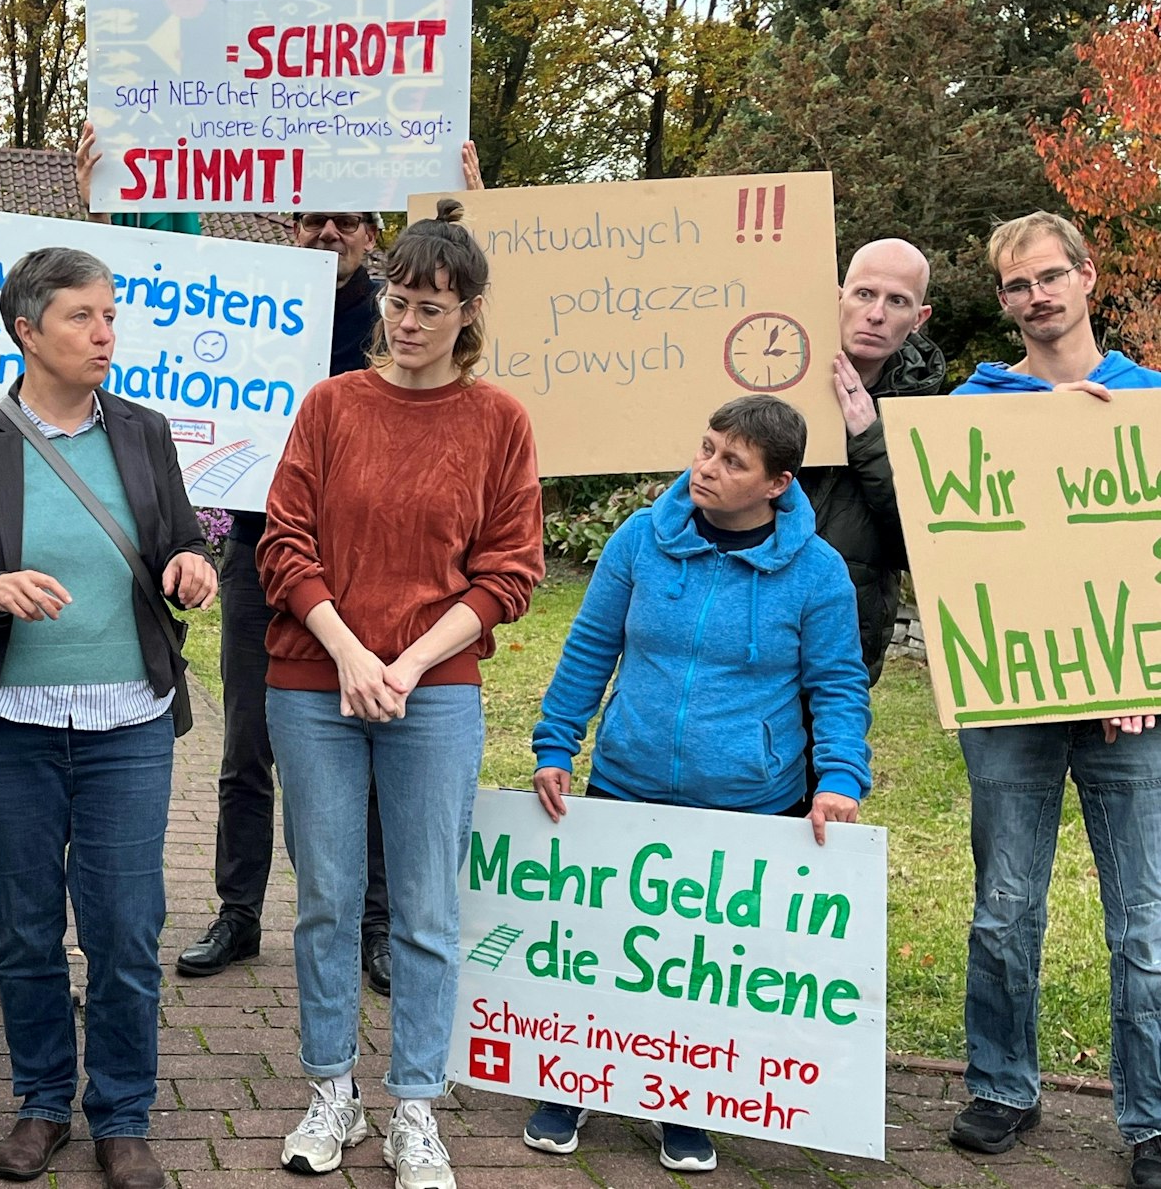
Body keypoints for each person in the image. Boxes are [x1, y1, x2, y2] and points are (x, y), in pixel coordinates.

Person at [0, 246, 217, 1189]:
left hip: (128, 723)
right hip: (7, 730)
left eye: (109, 314)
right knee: (25, 928)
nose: (106, 332)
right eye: (82, 316)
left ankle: (122, 1114)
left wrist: (193, 564)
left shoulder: (146, 431)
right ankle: (43, 1101)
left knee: (124, 927)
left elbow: (182, 539)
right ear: (26, 332)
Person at [259, 201, 543, 1189]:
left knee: (424, 906)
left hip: (433, 689)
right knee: (327, 900)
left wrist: (408, 662)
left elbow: (509, 570)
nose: (407, 319)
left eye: (429, 304)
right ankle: (329, 1090)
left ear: (467, 311)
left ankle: (414, 1104)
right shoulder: (330, 405)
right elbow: (282, 542)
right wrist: (345, 652)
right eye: (396, 297)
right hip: (312, 680)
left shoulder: (498, 421)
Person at [521, 395, 870, 1175]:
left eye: (732, 461)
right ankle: (570, 1077)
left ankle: (687, 1096)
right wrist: (556, 743)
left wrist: (841, 775)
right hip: (626, 783)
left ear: (778, 482)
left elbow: (839, 686)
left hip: (746, 801)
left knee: (705, 965)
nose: (707, 468)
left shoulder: (817, 573)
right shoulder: (642, 539)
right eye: (706, 448)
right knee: (603, 947)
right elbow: (588, 649)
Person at [178, 140, 488, 990]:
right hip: (265, 551)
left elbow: (470, 301)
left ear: (371, 232)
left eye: (345, 220)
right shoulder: (245, 303)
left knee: (387, 738)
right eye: (312, 217)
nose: (327, 232)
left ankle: (377, 927)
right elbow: (156, 292)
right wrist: (115, 206)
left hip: (380, 566)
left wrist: (474, 201)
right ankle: (238, 911)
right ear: (292, 224)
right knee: (246, 745)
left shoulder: (394, 317)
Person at [944, 211, 1161, 1189]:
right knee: (1001, 907)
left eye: (1047, 277)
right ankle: (1000, 1083)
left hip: (1133, 711)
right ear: (1003, 301)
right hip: (1009, 703)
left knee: (1143, 926)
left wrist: (1142, 669)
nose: (1033, 296)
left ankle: (1149, 1115)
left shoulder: (1146, 402)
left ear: (1084, 278)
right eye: (1014, 285)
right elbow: (959, 550)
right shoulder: (971, 407)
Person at [802, 238, 946, 683]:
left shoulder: (931, 414)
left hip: (843, 643)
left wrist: (869, 440)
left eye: (897, 300)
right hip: (742, 622)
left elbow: (923, 546)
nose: (877, 313)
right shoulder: (775, 373)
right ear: (838, 297)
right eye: (865, 294)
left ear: (918, 319)